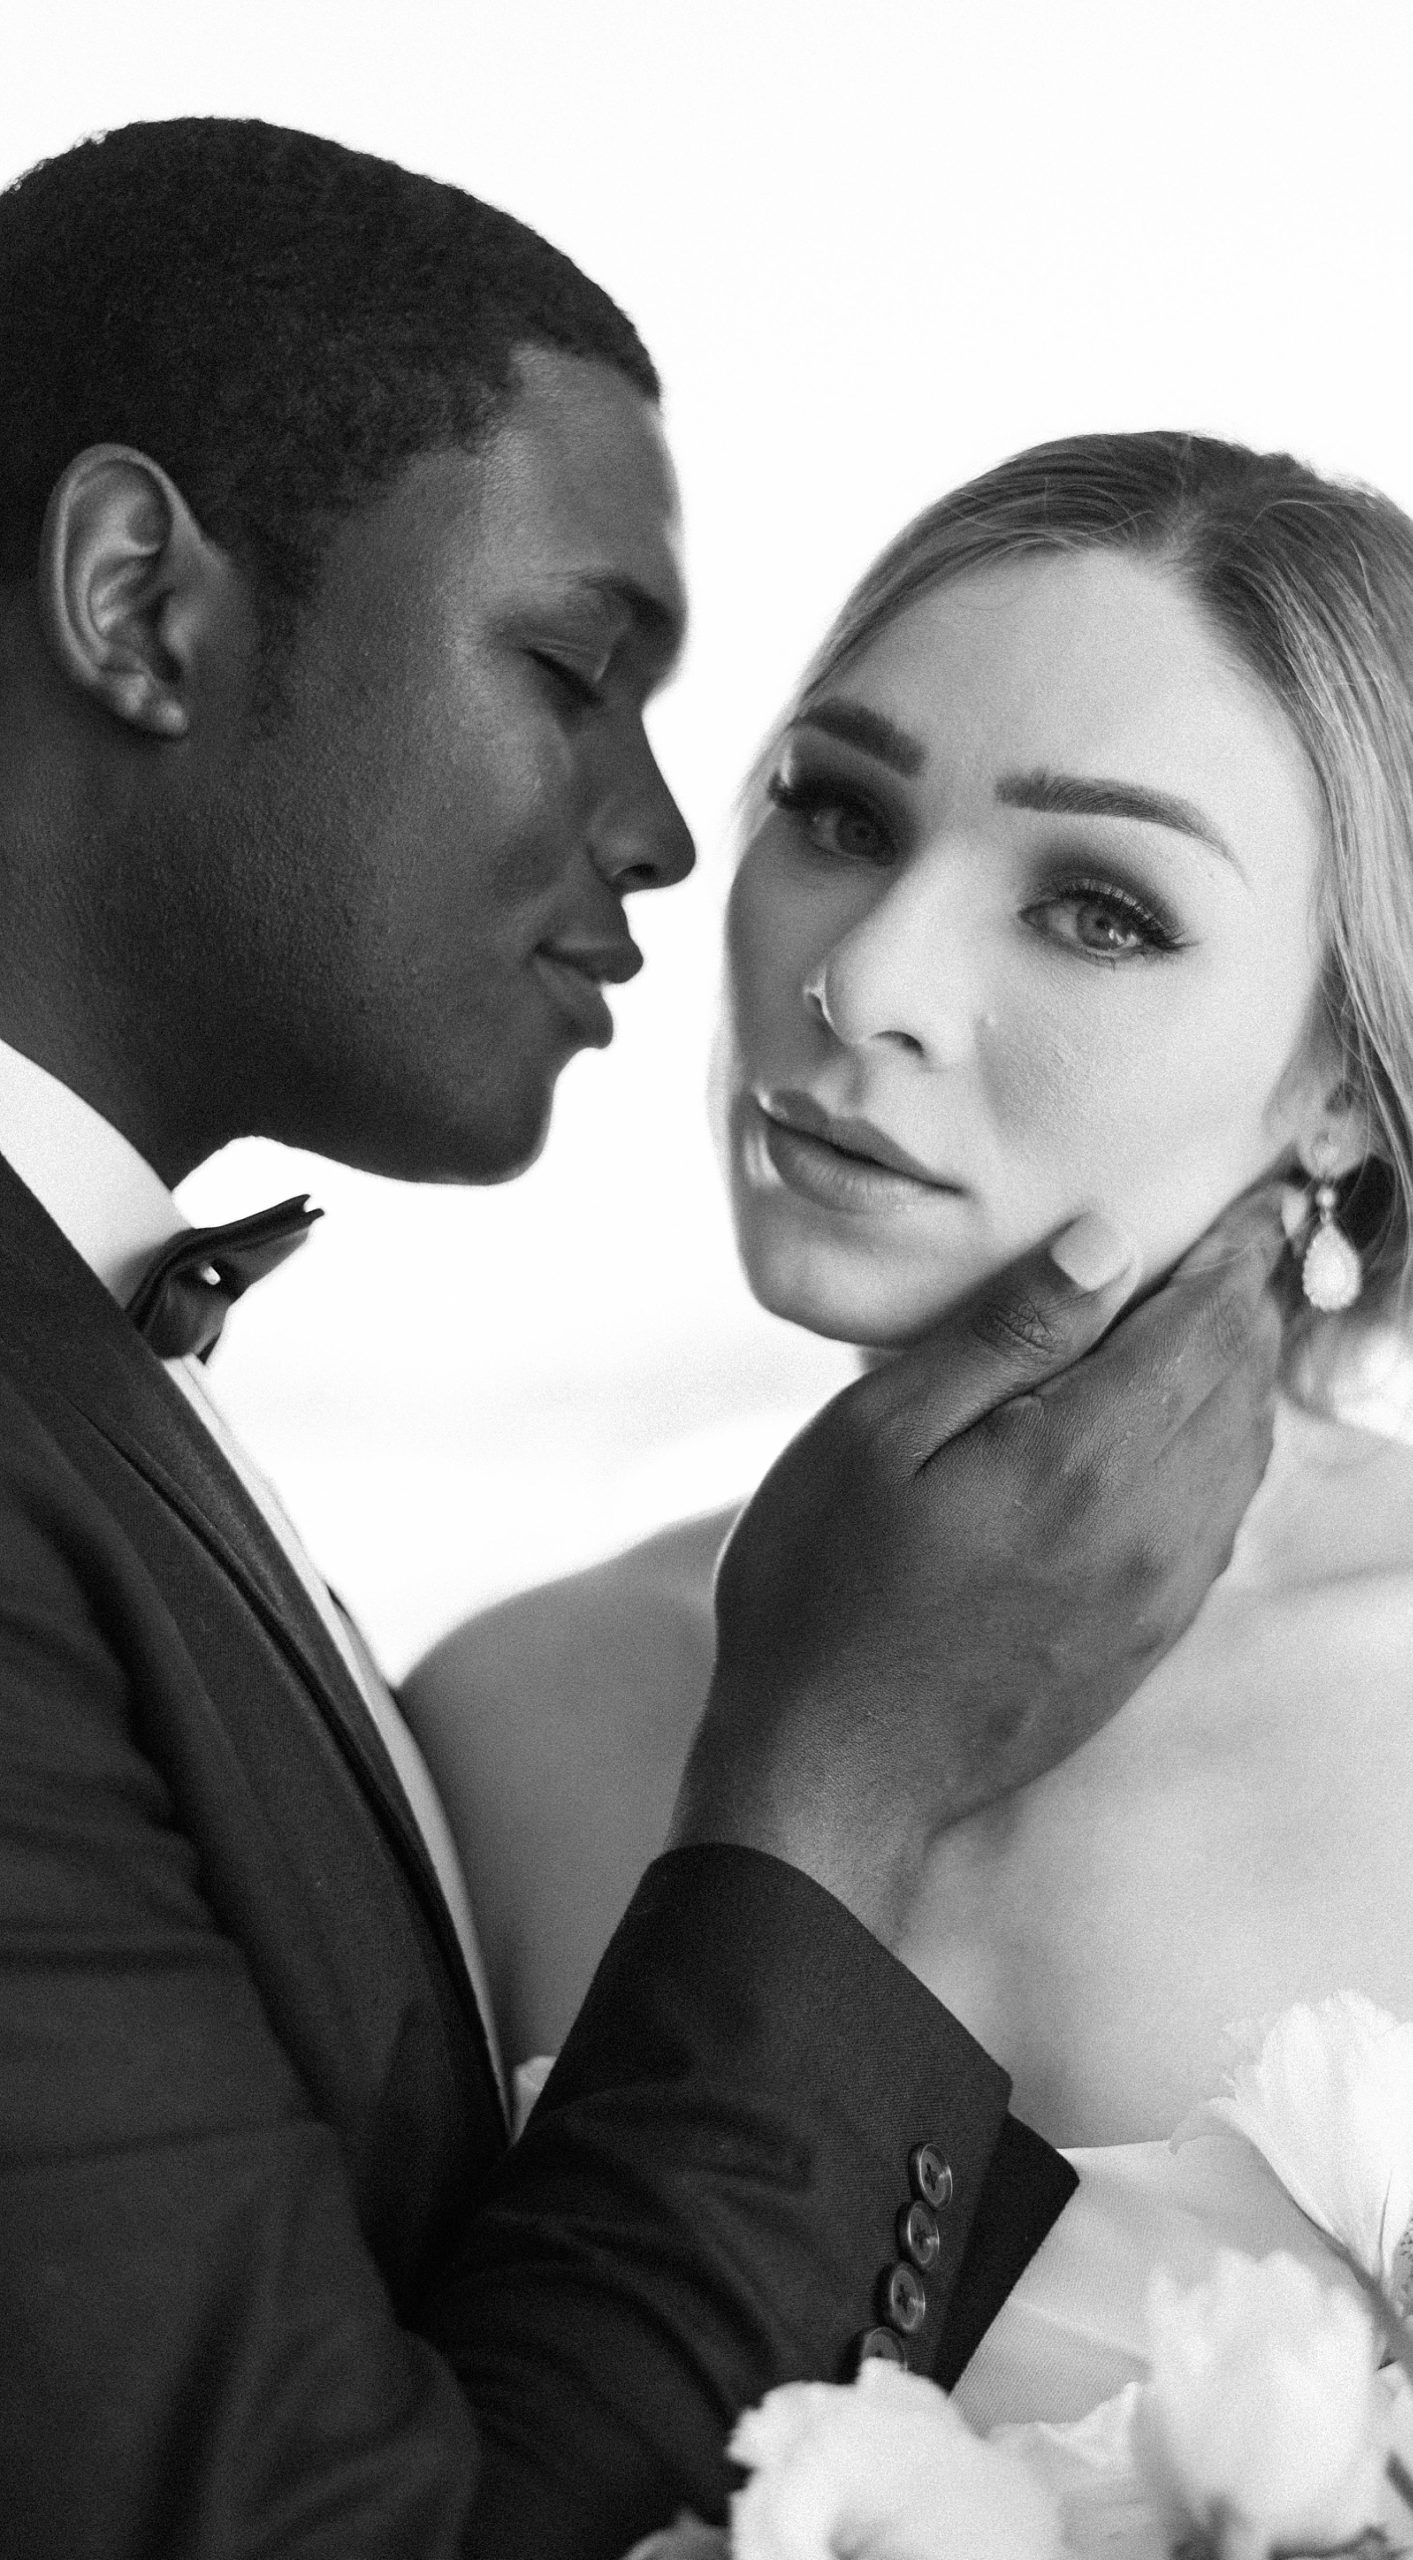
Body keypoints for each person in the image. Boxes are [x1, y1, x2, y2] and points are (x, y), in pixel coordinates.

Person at [0, 126, 1290, 2556]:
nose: (673, 840)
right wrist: (826, 1773)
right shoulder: (519, 1700)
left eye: (1103, 901)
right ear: (139, 603)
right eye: (571, 672)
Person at [409, 428, 1413, 2435]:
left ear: (1342, 1075)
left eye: (1098, 908)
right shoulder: (502, 1725)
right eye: (842, 814)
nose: (859, 978)